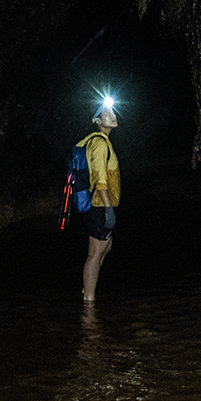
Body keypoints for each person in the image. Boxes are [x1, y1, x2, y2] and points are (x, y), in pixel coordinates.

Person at [80, 101, 120, 302]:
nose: (112, 115)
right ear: (97, 120)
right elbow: (100, 176)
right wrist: (107, 207)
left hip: (99, 204)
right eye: (106, 113)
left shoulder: (101, 141)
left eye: (113, 111)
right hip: (99, 204)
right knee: (96, 252)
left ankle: (88, 287)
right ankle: (89, 299)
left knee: (106, 246)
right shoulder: (99, 143)